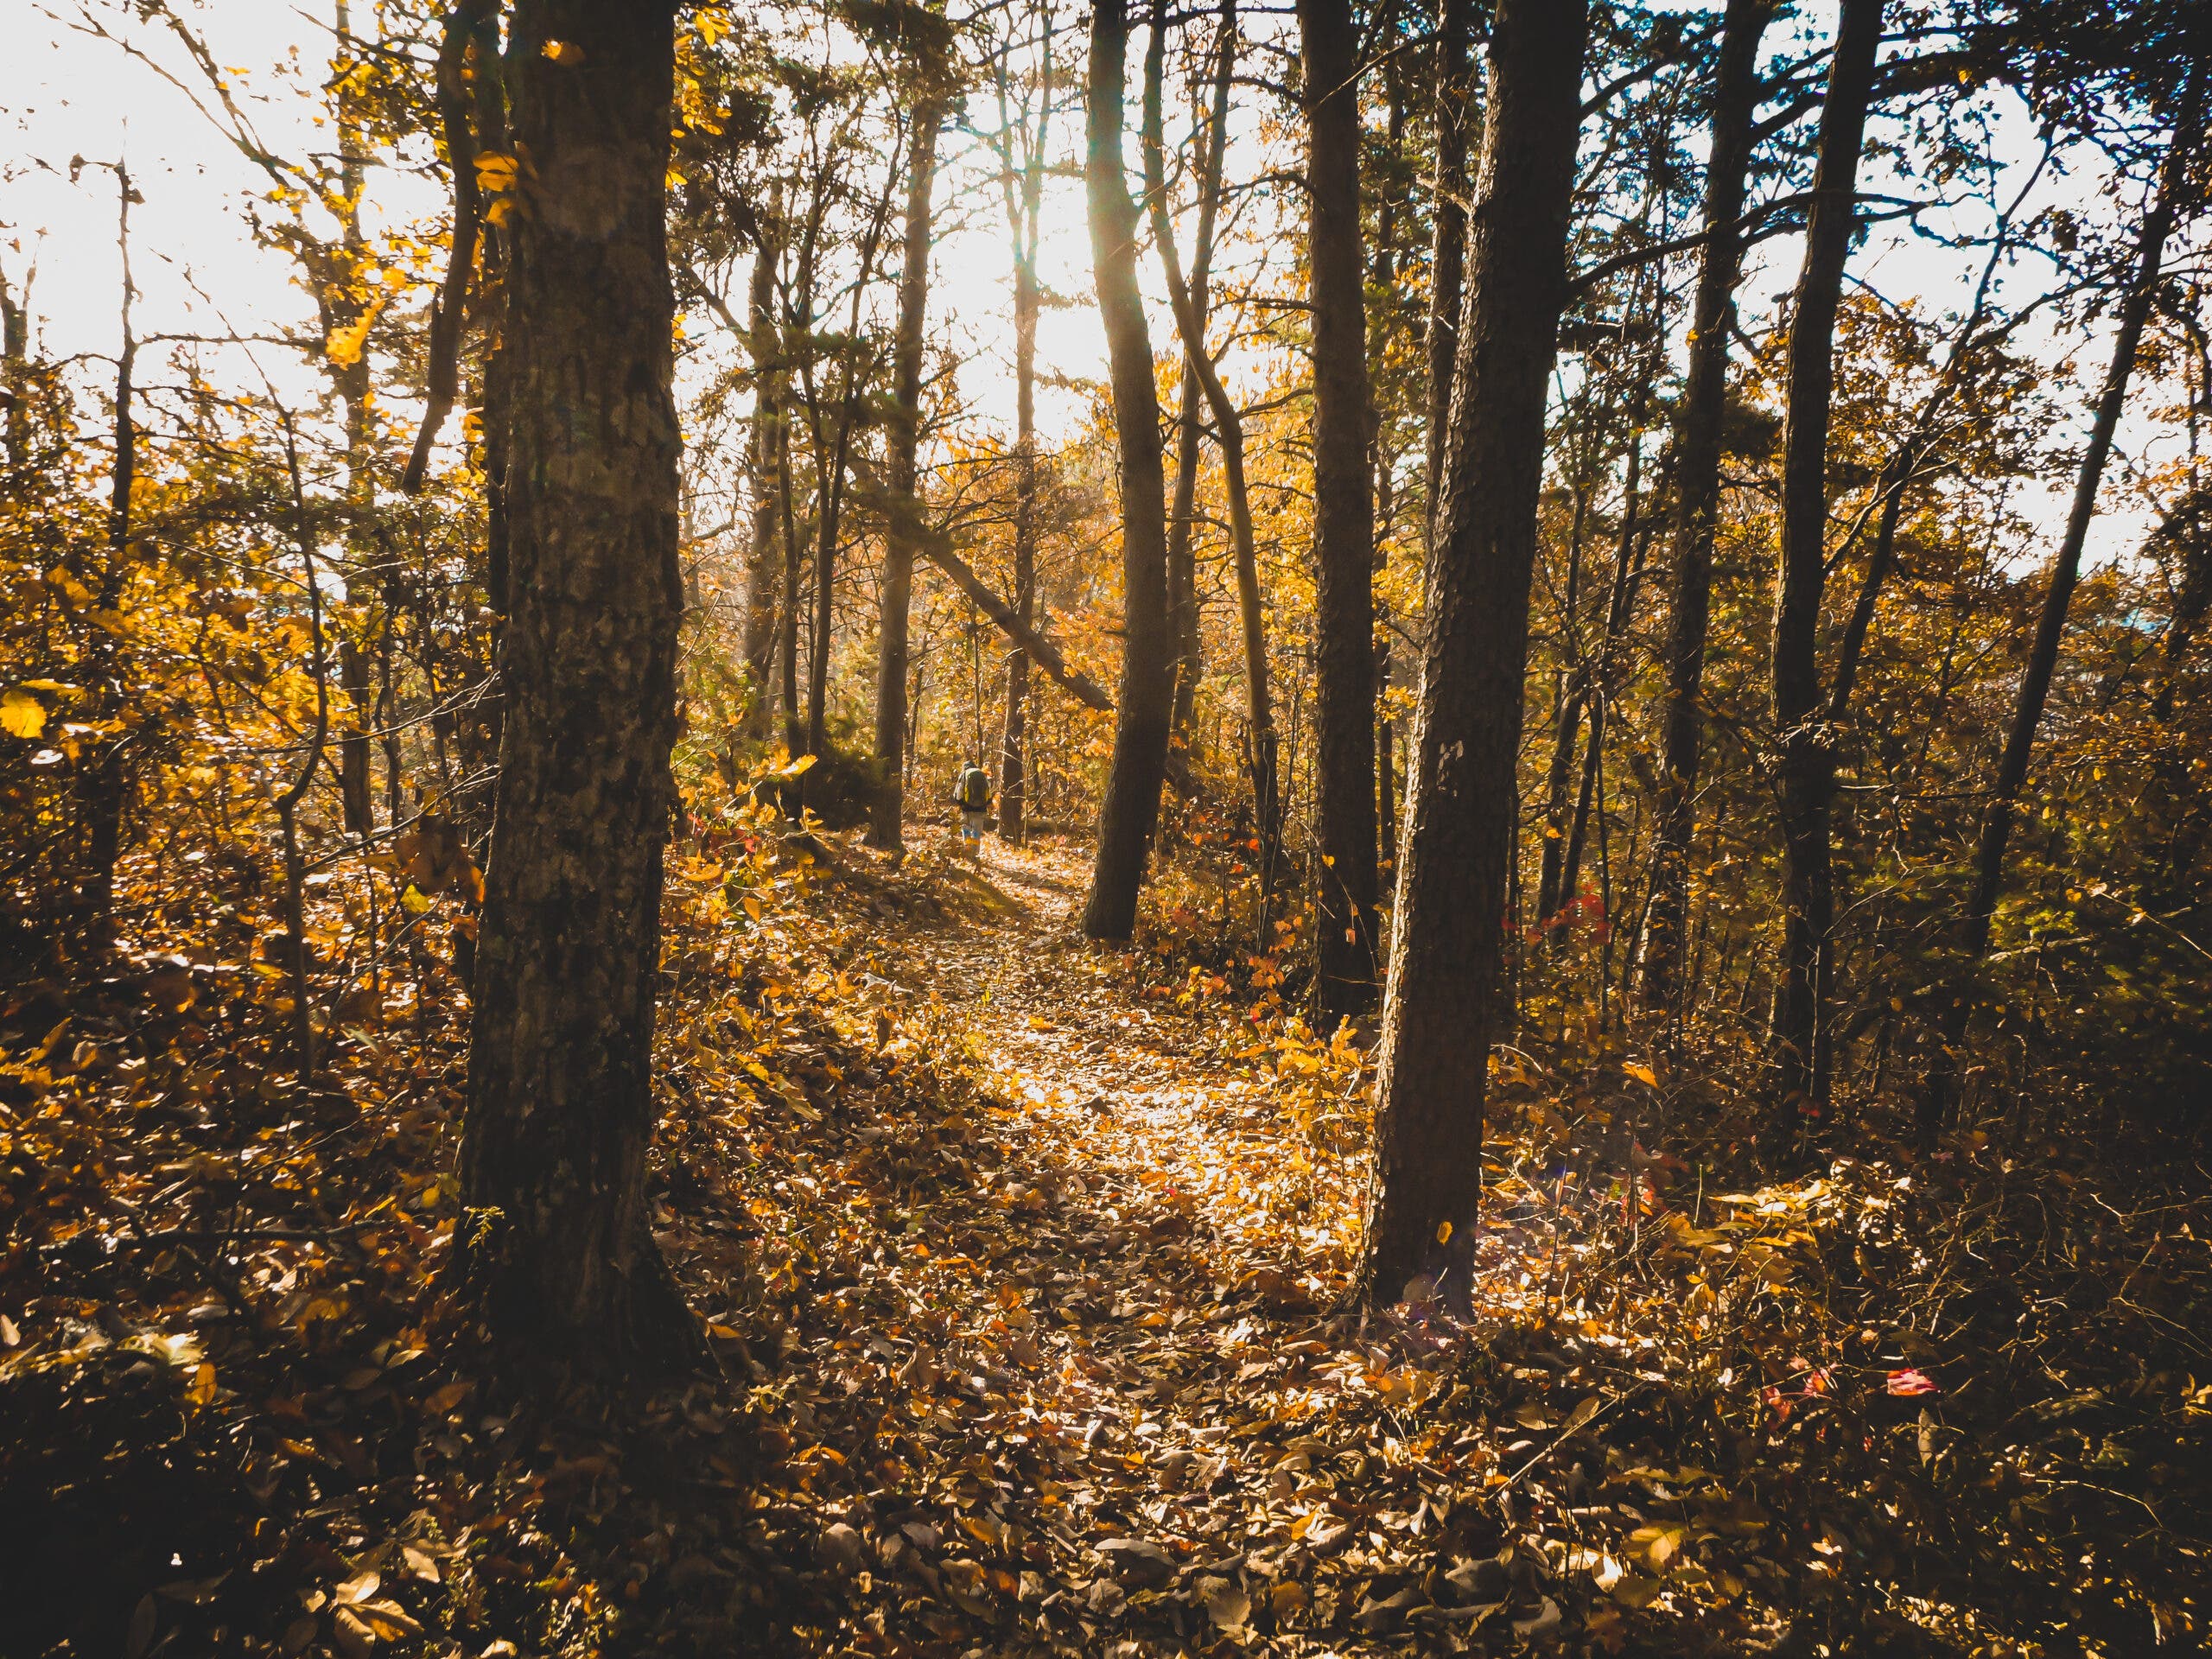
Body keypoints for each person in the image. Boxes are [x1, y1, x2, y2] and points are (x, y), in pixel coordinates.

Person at [951, 760, 991, 852]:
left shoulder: (964, 774)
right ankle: (975, 853)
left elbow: (959, 792)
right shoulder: (982, 774)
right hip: (981, 809)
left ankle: (968, 849)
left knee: (966, 829)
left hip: (967, 809)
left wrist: (959, 803)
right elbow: (988, 791)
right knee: (976, 832)